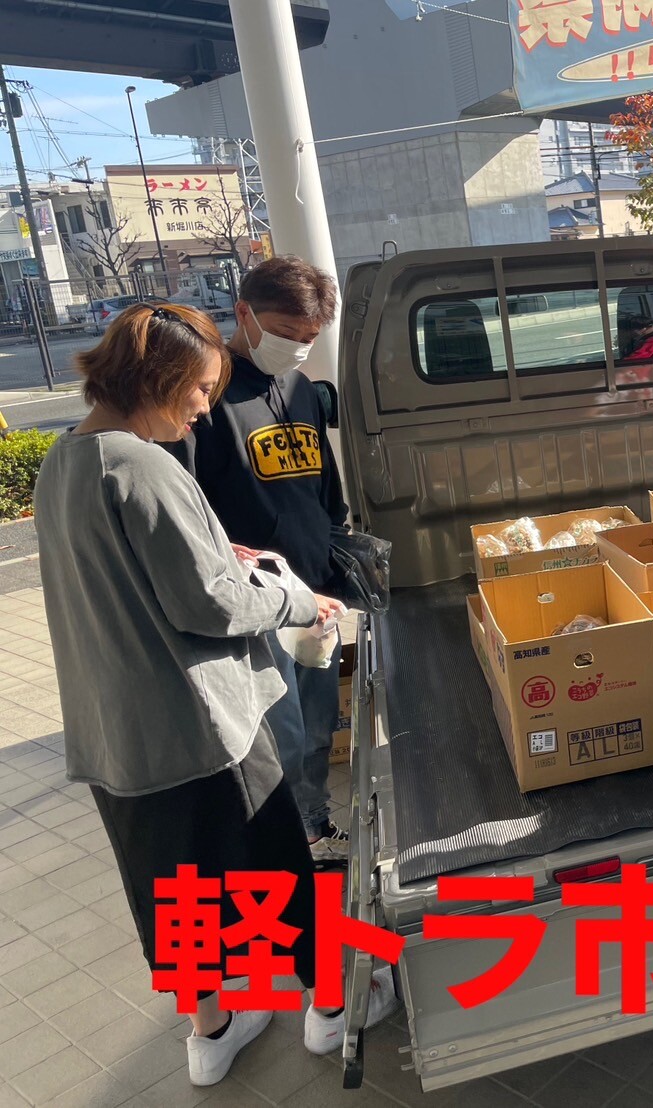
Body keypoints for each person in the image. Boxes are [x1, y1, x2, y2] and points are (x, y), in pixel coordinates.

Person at [32, 303, 396, 1087]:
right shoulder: (144, 465)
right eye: (198, 389)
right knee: (276, 871)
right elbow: (210, 604)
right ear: (159, 380)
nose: (203, 407)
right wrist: (299, 602)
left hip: (116, 737)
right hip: (200, 727)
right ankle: (333, 1010)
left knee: (175, 897)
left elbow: (129, 564)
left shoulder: (65, 459)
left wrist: (214, 547)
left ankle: (211, 1034)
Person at [171, 256, 351, 866]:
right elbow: (187, 502)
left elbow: (322, 481)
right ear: (243, 313)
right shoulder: (207, 396)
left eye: (307, 338)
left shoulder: (298, 387)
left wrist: (333, 549)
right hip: (254, 603)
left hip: (313, 592)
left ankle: (314, 826)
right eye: (284, 332)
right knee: (281, 733)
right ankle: (285, 847)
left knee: (319, 724)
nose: (296, 347)